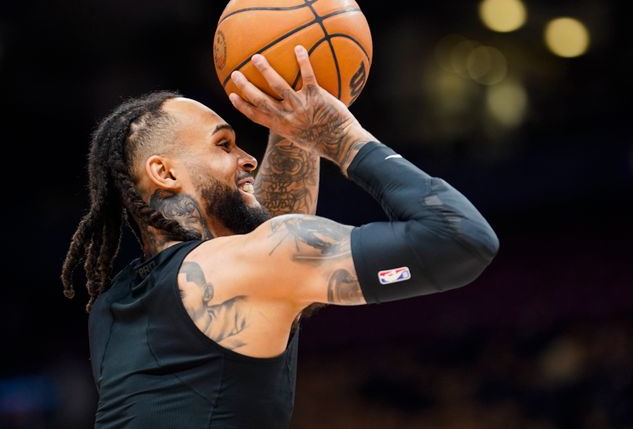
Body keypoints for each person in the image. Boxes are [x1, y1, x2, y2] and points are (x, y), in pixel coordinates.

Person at [62, 46, 499, 428]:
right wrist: (340, 137)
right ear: (165, 172)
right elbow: (462, 240)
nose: (248, 158)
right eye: (224, 144)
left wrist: (293, 131)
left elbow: (269, 240)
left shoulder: (110, 307)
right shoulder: (246, 268)